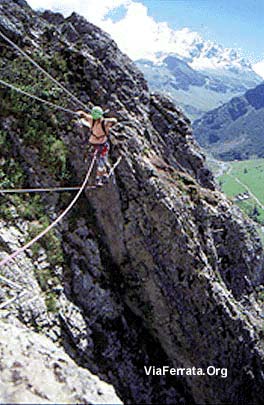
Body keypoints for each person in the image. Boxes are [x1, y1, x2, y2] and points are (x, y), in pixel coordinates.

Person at [77, 106, 117, 186]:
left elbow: (114, 121)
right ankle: (103, 175)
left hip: (101, 146)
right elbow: (84, 115)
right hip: (95, 145)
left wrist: (108, 120)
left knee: (101, 163)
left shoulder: (104, 123)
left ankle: (99, 178)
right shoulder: (93, 120)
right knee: (101, 162)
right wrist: (80, 113)